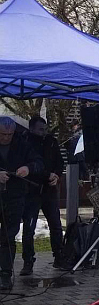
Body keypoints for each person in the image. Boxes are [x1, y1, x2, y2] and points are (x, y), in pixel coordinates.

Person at [0, 117, 42, 290]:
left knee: (8, 237)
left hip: (15, 196)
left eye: (9, 134)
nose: (6, 138)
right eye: (2, 135)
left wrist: (28, 168)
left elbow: (39, 162)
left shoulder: (22, 144)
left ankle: (5, 273)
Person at [21, 117, 63, 274]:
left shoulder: (51, 141)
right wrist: (47, 174)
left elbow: (59, 162)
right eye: (40, 129)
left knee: (56, 225)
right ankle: (28, 260)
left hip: (49, 190)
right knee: (29, 227)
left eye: (45, 129)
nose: (43, 132)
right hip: (32, 190)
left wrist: (56, 175)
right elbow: (30, 166)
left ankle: (59, 256)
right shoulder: (24, 142)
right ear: (32, 128)